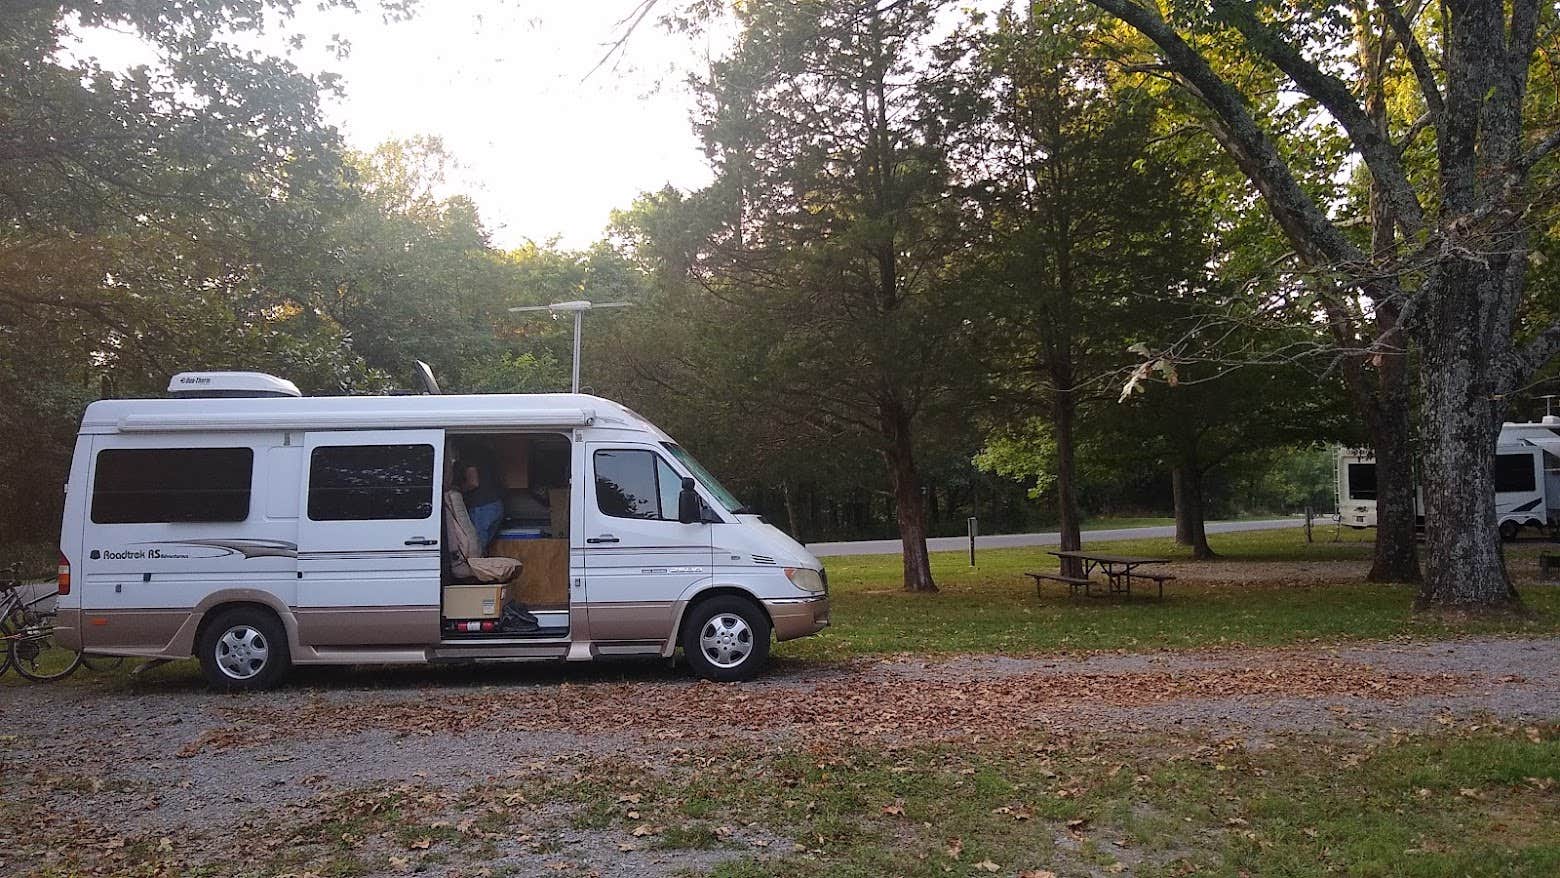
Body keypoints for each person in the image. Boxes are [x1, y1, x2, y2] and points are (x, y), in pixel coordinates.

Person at [454, 441, 504, 551]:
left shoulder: (469, 456)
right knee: (483, 546)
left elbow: (473, 483)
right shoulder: (489, 456)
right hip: (496, 504)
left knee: (477, 547)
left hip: (481, 507)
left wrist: (457, 490)